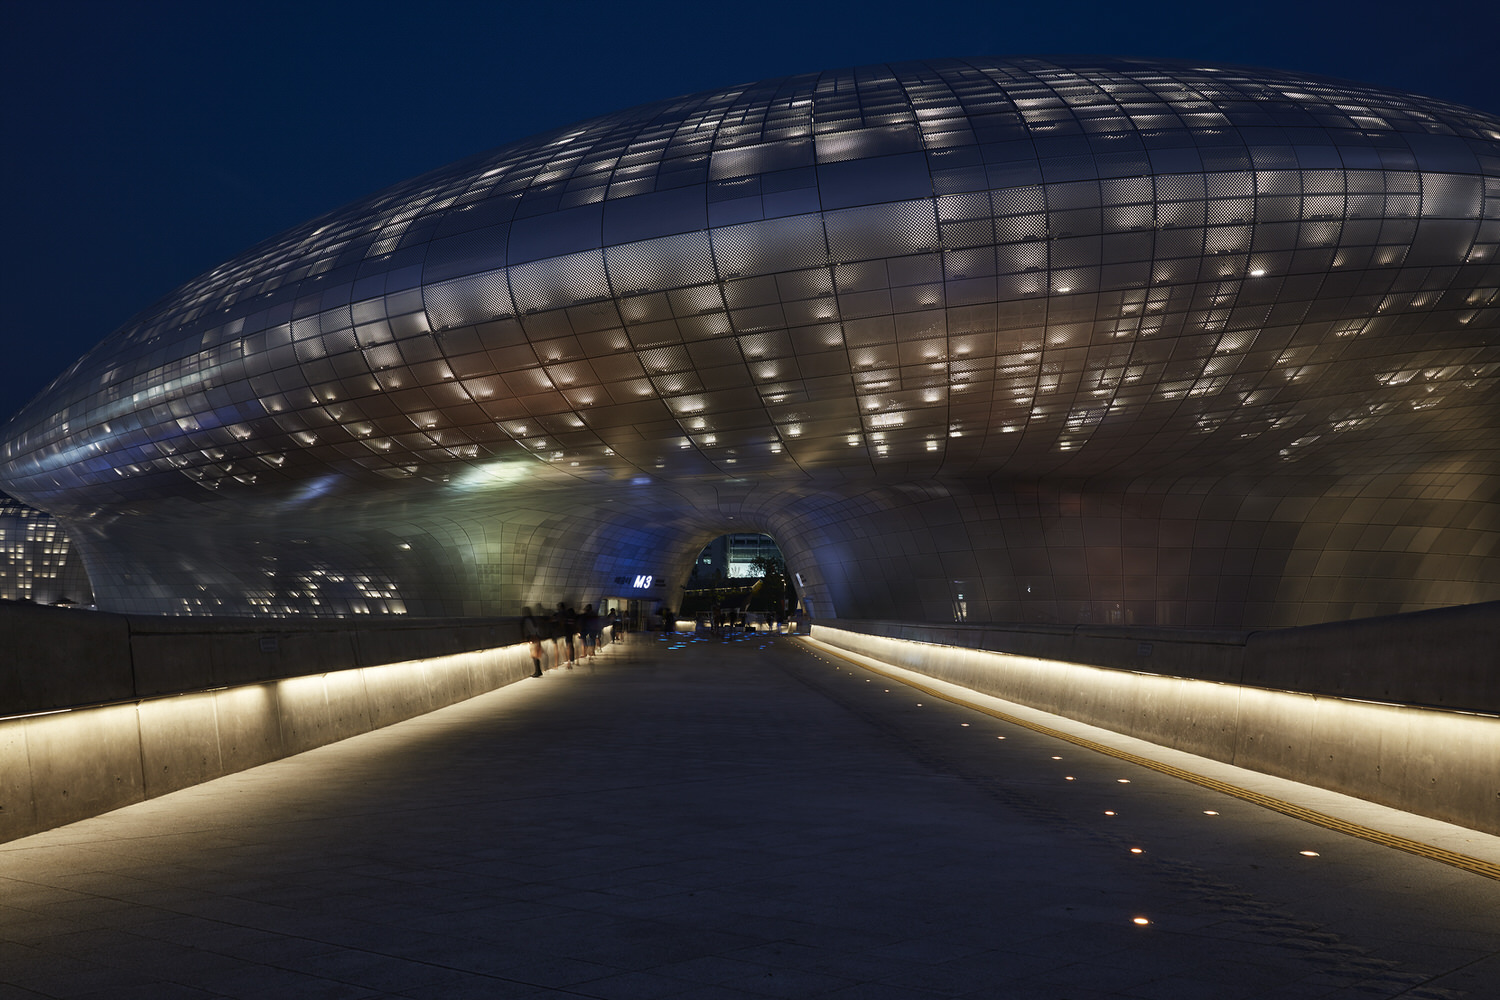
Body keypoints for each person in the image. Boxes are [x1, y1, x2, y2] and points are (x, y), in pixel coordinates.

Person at [521, 606, 544, 677]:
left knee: (534, 655)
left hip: (532, 637)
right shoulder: (532, 619)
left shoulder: (527, 620)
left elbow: (528, 629)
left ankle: (537, 671)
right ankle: (538, 670)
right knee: (536, 655)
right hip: (537, 637)